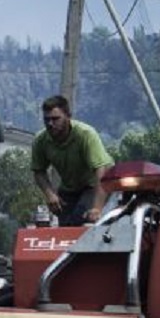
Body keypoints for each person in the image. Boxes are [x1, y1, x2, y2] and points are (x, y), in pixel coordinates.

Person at [31, 94, 114, 226]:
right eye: (46, 120)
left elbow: (101, 170)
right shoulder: (41, 140)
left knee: (80, 219)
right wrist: (50, 194)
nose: (50, 124)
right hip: (69, 188)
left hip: (95, 184)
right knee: (65, 227)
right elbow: (38, 171)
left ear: (68, 117)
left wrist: (97, 208)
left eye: (55, 119)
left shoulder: (85, 134)